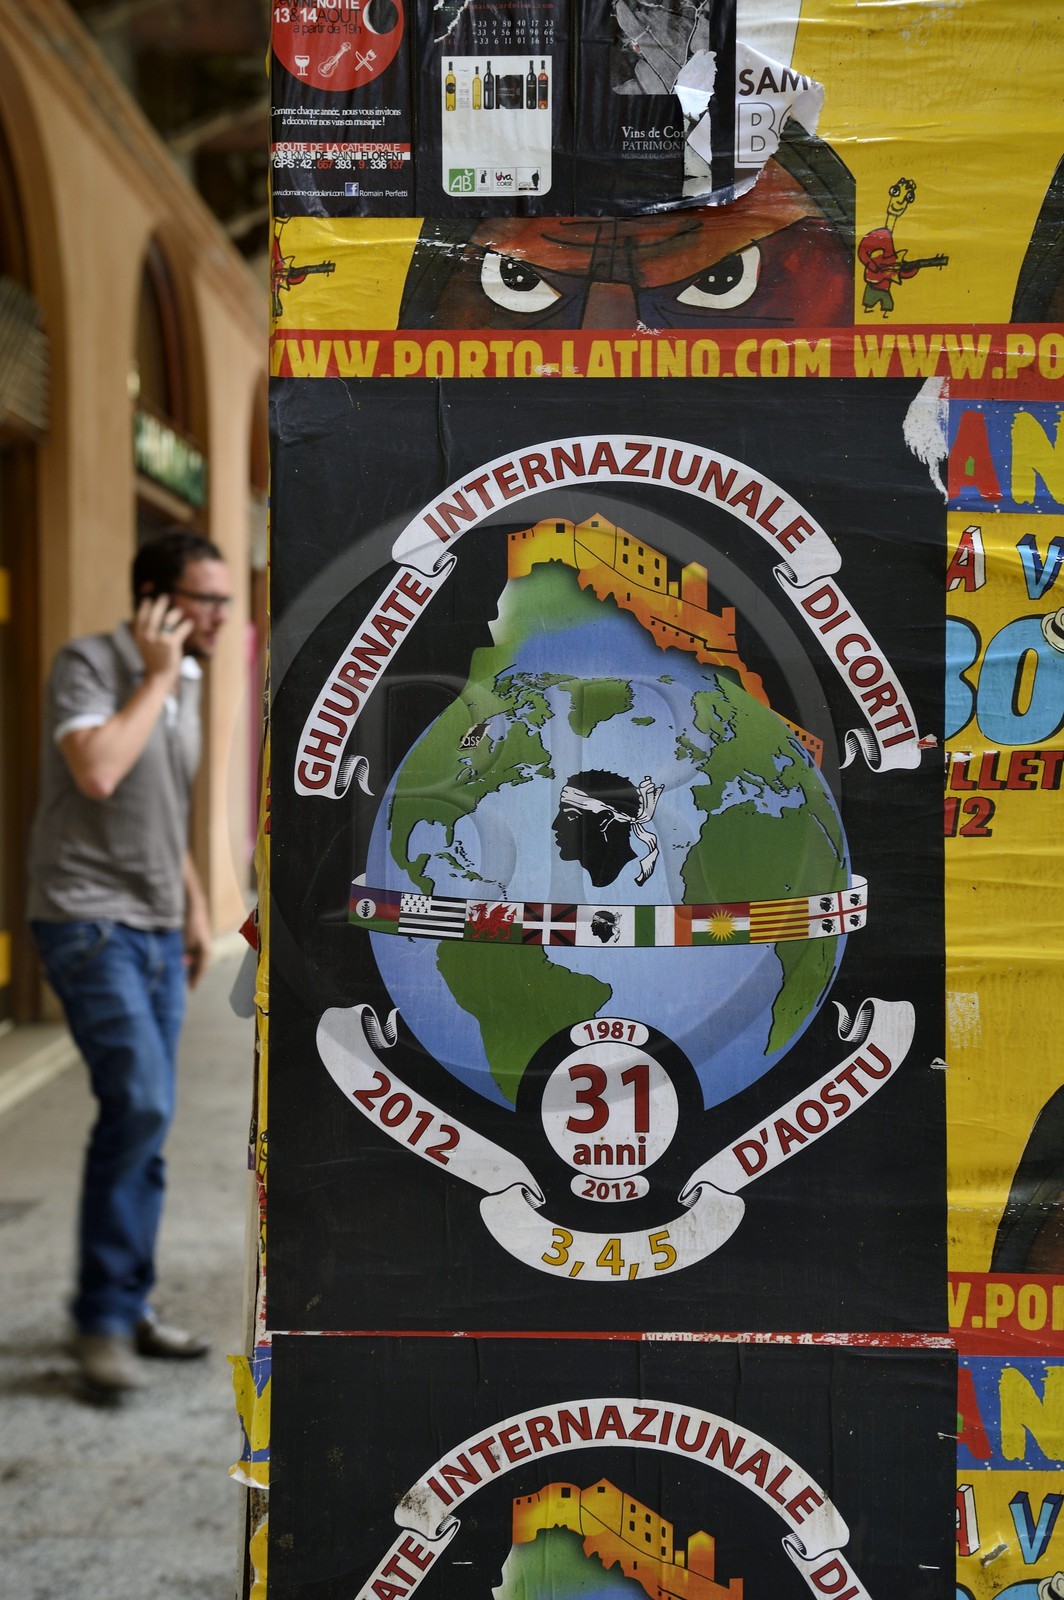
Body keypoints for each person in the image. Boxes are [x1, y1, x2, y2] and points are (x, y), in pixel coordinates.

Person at [27, 528, 233, 1396]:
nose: (221, 615)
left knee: (143, 1125)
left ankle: (127, 1304)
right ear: (154, 600)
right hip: (88, 919)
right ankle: (102, 1321)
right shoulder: (92, 664)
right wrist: (153, 676)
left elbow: (159, 811)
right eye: (204, 600)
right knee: (140, 1102)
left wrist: (190, 909)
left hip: (153, 927)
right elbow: (102, 773)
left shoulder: (185, 679)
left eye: (224, 600)